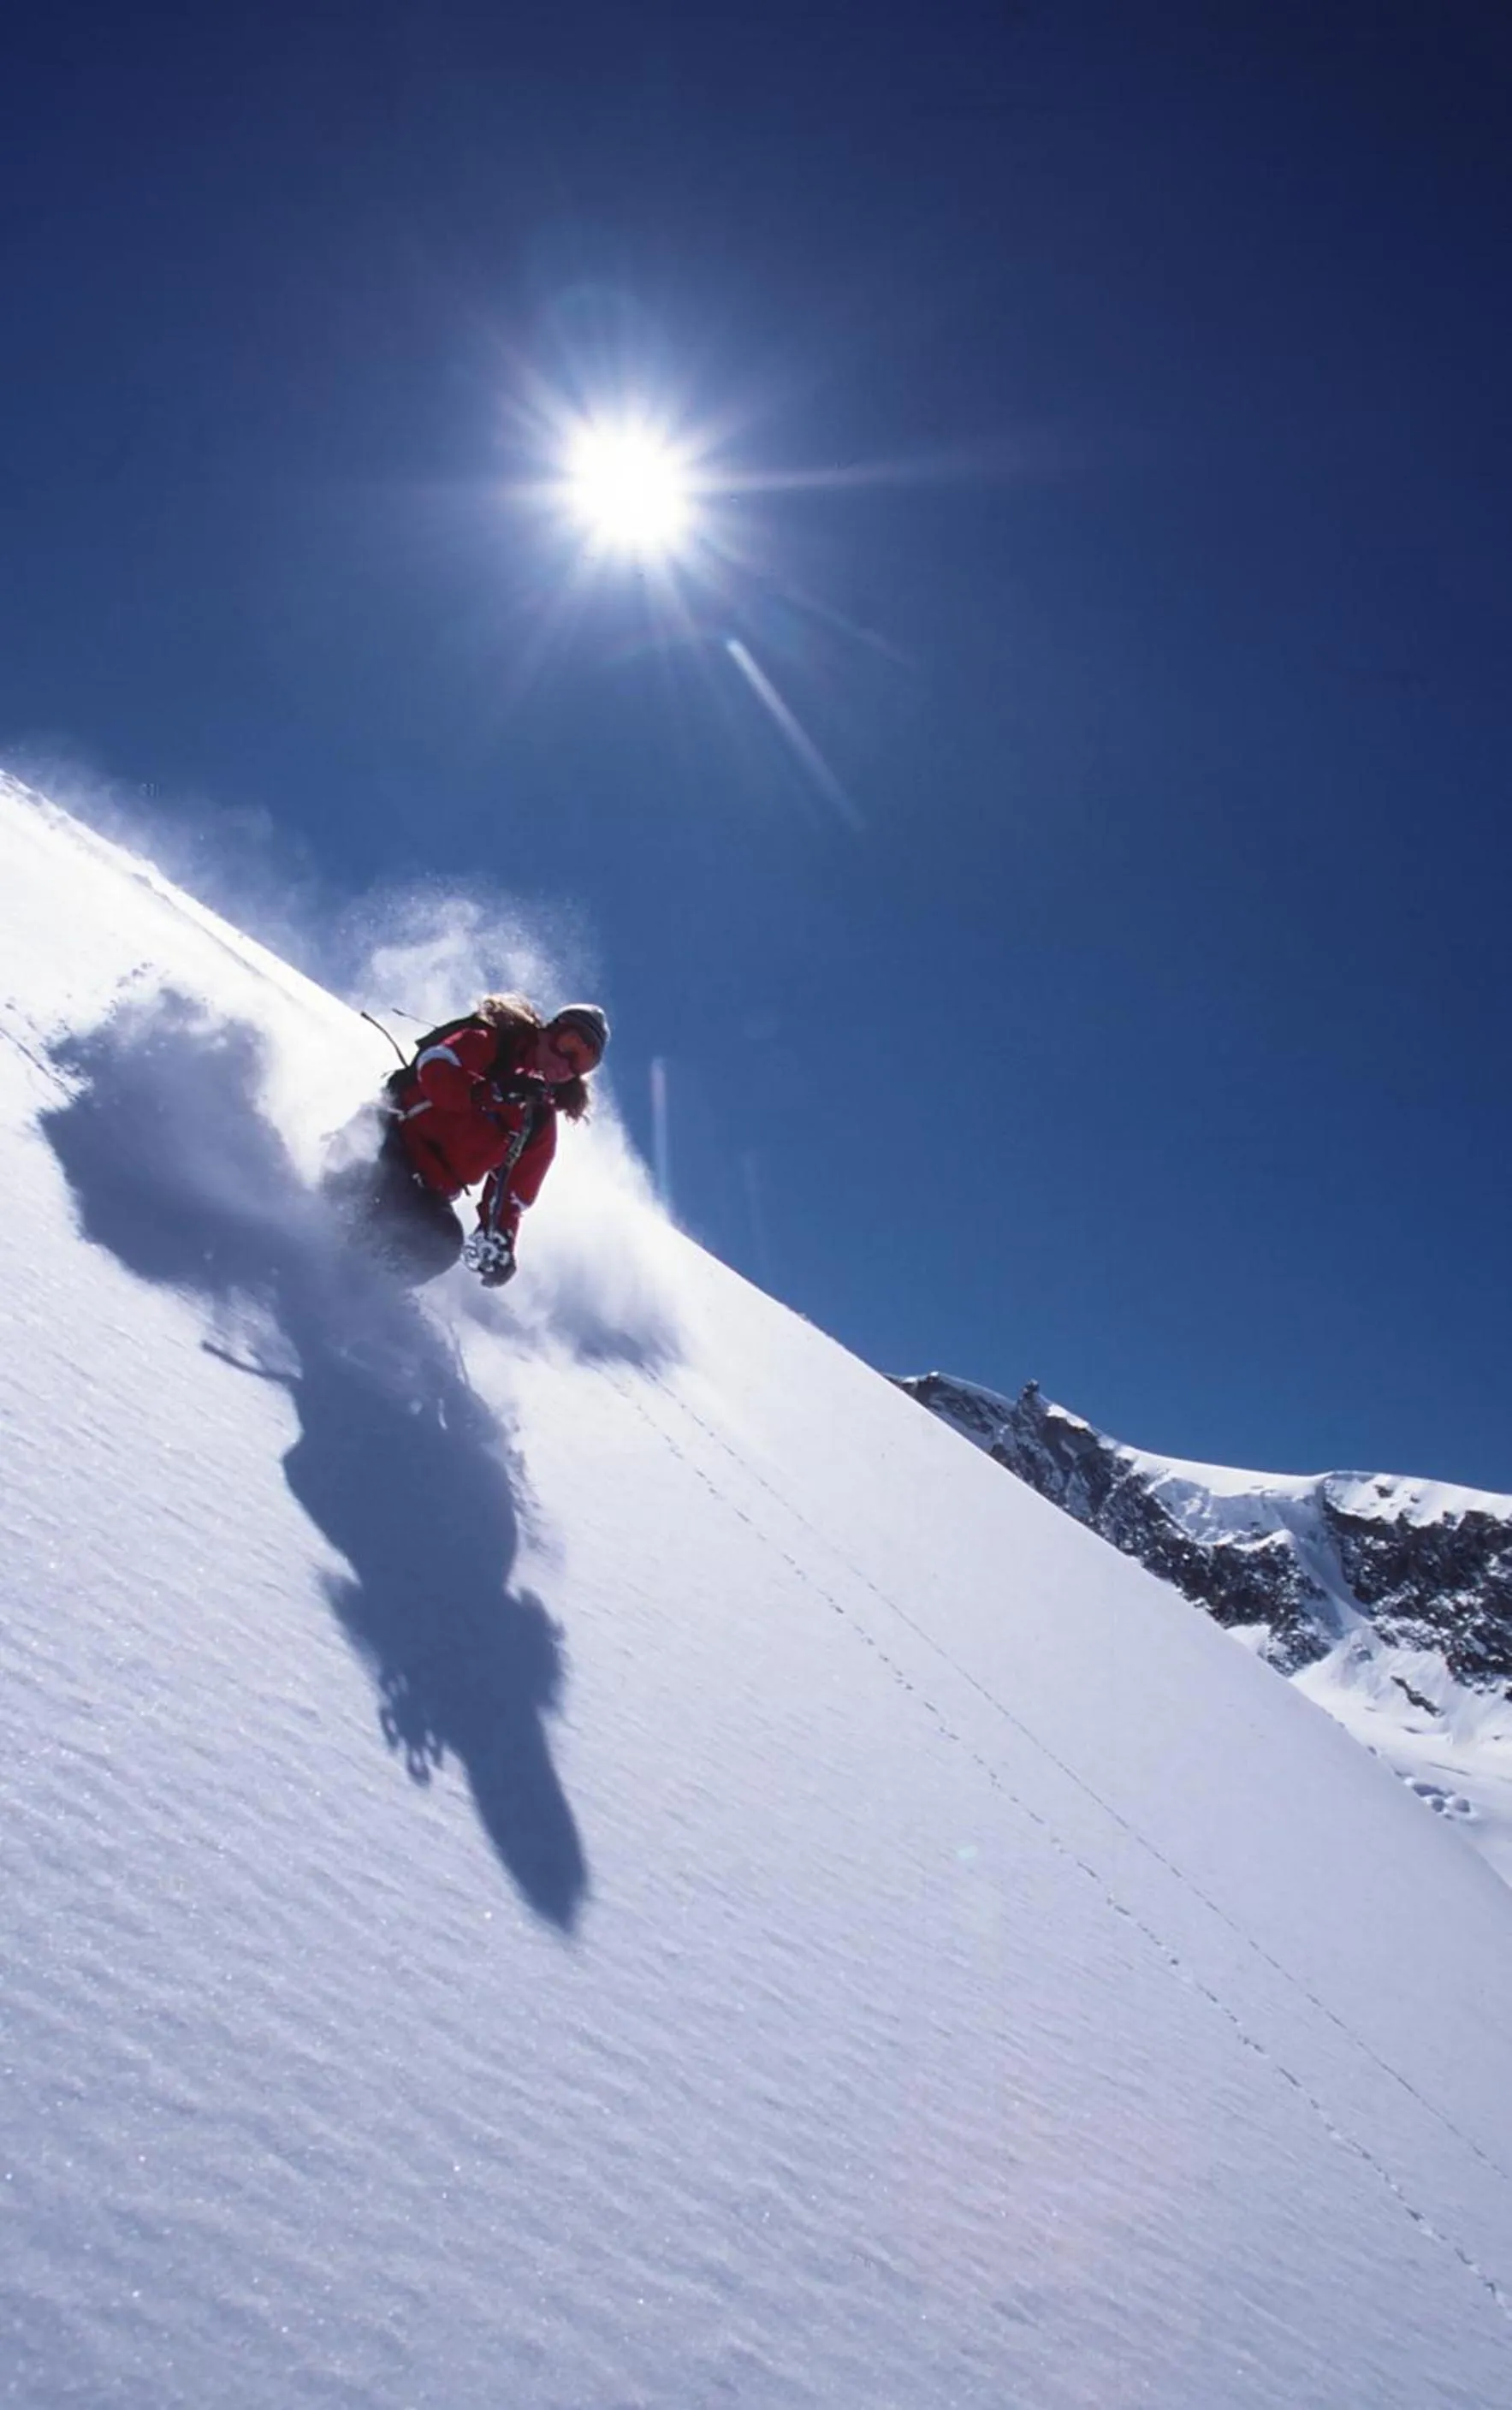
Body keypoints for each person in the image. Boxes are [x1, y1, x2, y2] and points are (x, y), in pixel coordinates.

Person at [329, 994, 609, 1286]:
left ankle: (366, 1288)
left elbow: (511, 1195)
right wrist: (490, 1092)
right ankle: (314, 1234)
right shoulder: (491, 1042)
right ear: (550, 1031)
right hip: (387, 1138)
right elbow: (435, 1068)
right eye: (569, 1045)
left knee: (441, 1244)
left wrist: (500, 1238)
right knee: (360, 1187)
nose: (567, 1063)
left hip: (424, 1190)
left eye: (583, 1061)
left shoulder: (537, 1121)